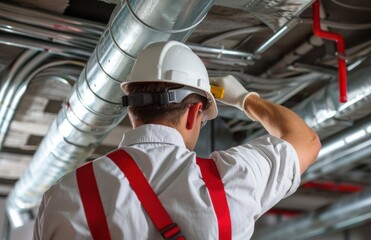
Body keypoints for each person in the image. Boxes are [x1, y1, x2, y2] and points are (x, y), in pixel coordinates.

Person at [33, 41, 320, 240]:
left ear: (132, 109)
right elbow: (305, 141)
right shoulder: (232, 181)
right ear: (195, 113)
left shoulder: (65, 194)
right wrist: (246, 100)